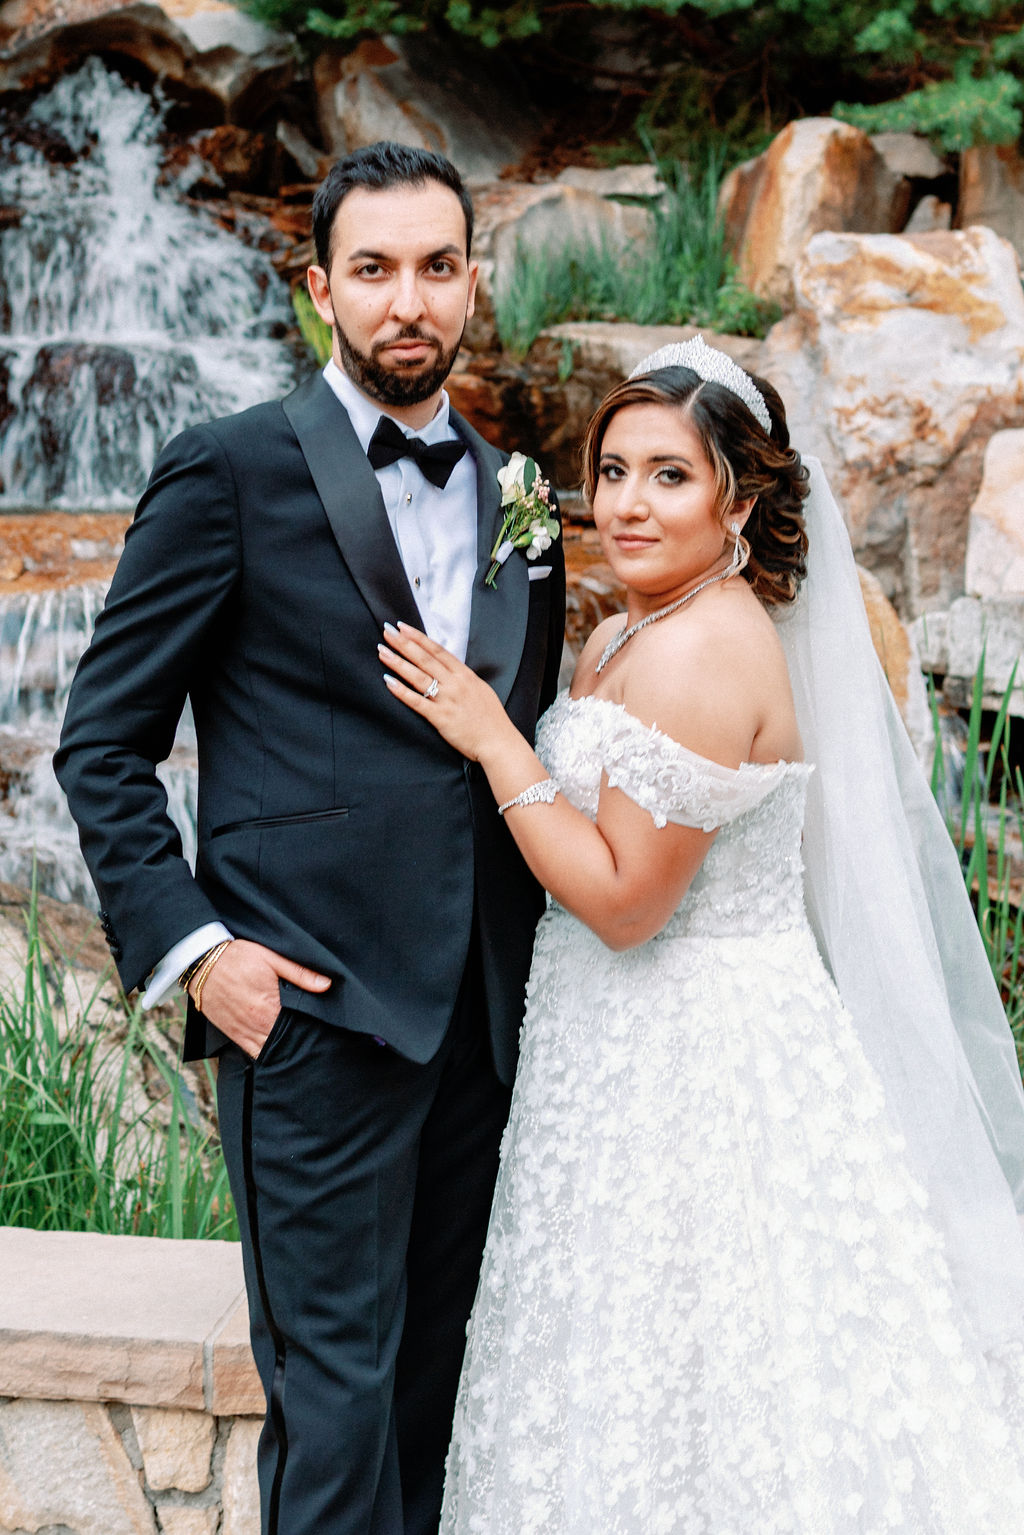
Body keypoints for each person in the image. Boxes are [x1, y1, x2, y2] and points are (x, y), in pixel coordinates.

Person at [379, 337, 1024, 1532]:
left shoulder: (708, 648)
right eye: (613, 470)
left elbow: (627, 903)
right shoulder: (623, 633)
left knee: (718, 1365)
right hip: (609, 1050)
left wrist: (494, 737)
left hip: (704, 1064)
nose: (627, 503)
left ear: (737, 500)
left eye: (669, 475)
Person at [53, 141, 565, 1535]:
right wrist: (199, 951)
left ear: (473, 283)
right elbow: (101, 743)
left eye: (437, 267)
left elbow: (521, 740)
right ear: (319, 288)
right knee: (335, 1409)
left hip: (488, 1025)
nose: (410, 299)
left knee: (442, 1401)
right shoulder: (225, 470)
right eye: (375, 269)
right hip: (312, 1015)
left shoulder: (525, 494)